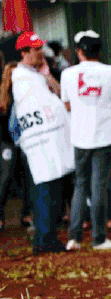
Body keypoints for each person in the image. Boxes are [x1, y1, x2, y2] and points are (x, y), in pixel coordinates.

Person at [13, 31, 74, 253]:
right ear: (24, 52)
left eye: (40, 48)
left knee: (50, 190)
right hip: (40, 142)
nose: (41, 52)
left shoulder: (34, 75)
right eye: (36, 48)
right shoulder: (22, 78)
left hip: (48, 141)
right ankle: (44, 238)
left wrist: (46, 76)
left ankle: (47, 237)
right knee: (44, 190)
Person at [61, 31, 111, 250]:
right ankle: (99, 238)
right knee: (99, 186)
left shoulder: (67, 74)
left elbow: (66, 104)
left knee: (80, 185)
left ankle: (74, 237)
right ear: (100, 51)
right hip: (104, 134)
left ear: (79, 52)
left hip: (79, 135)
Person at [0, 61, 33, 231]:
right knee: (6, 178)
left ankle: (27, 213)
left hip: (26, 140)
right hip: (7, 142)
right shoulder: (3, 95)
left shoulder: (26, 92)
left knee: (28, 178)